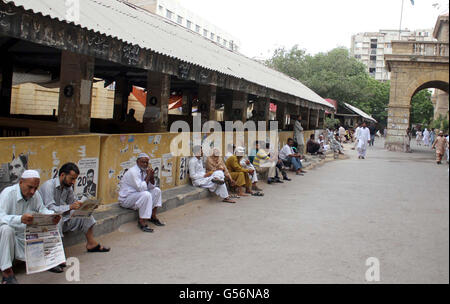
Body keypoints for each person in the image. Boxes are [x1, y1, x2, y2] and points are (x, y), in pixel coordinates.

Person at [0, 170, 62, 284]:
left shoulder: (35, 195)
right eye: (30, 187)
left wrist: (52, 216)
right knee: (6, 229)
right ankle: (6, 271)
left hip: (26, 234)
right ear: (21, 182)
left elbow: (42, 209)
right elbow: (1, 216)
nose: (33, 191)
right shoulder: (8, 194)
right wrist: (19, 219)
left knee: (51, 225)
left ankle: (49, 261)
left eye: (35, 188)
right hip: (10, 236)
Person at [39, 163, 110, 260]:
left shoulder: (68, 187)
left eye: (75, 179)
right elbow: (50, 208)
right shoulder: (48, 186)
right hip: (48, 220)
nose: (74, 182)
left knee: (86, 215)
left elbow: (73, 202)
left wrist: (88, 206)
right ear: (63, 175)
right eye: (72, 178)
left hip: (64, 217)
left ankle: (91, 243)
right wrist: (70, 206)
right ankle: (55, 257)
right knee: (57, 219)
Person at [118, 153, 164, 233]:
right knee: (146, 194)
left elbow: (151, 187)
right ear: (137, 162)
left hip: (137, 195)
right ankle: (142, 222)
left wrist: (152, 176)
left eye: (146, 162)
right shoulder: (133, 172)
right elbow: (142, 188)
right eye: (143, 162)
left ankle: (152, 216)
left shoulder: (144, 171)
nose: (145, 164)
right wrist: (148, 176)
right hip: (127, 199)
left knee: (157, 190)